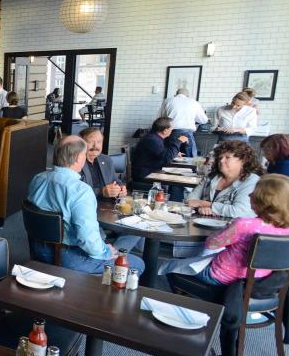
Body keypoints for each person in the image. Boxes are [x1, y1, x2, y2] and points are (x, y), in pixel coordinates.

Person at [170, 174, 289, 356]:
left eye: (254, 195)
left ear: (265, 201)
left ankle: (186, 324)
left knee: (172, 269)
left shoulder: (244, 225)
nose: (249, 197)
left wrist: (224, 230)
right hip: (264, 282)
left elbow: (213, 243)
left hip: (223, 279)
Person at [28, 136, 145, 274]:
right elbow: (87, 238)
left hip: (38, 249)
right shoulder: (80, 191)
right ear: (78, 158)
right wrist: (106, 251)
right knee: (138, 263)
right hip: (68, 258)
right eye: (85, 153)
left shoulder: (38, 178)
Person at [187, 141, 263, 218]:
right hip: (205, 224)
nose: (221, 161)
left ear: (243, 160)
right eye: (220, 157)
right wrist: (200, 208)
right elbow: (190, 200)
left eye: (227, 157)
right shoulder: (211, 176)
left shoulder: (251, 180)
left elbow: (239, 211)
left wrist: (204, 204)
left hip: (237, 228)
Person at [132, 117, 186, 181]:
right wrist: (178, 141)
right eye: (171, 129)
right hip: (145, 174)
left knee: (177, 175)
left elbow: (163, 153)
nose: (172, 131)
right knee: (178, 179)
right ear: (165, 131)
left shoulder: (154, 137)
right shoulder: (152, 140)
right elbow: (167, 158)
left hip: (150, 170)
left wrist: (175, 153)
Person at [160, 87, 208, 157]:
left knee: (171, 156)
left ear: (175, 95)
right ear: (187, 96)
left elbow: (160, 118)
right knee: (189, 158)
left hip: (171, 132)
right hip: (188, 134)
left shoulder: (167, 101)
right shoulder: (194, 102)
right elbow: (204, 120)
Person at [79, 128, 124, 199]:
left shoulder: (106, 160)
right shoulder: (76, 162)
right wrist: (101, 192)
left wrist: (120, 189)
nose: (95, 146)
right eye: (90, 141)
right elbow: (76, 190)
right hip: (85, 204)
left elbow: (116, 181)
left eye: (99, 142)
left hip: (107, 205)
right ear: (81, 143)